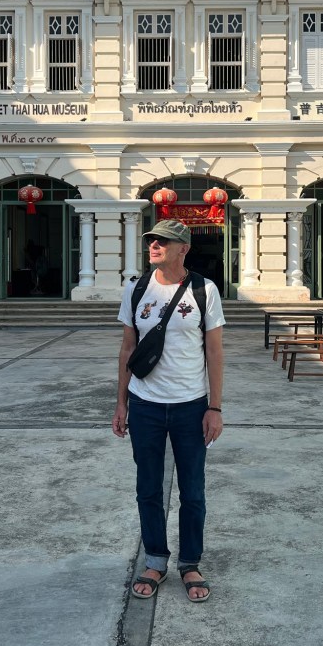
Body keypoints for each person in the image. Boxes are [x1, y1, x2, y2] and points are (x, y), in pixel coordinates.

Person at [112, 219, 225, 604]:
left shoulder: (204, 290)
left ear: (183, 248)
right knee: (148, 488)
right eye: (152, 240)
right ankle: (155, 560)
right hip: (145, 404)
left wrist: (214, 406)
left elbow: (214, 352)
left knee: (192, 491)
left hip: (191, 406)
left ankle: (190, 563)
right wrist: (121, 403)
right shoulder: (136, 288)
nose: (155, 245)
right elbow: (128, 349)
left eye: (164, 241)